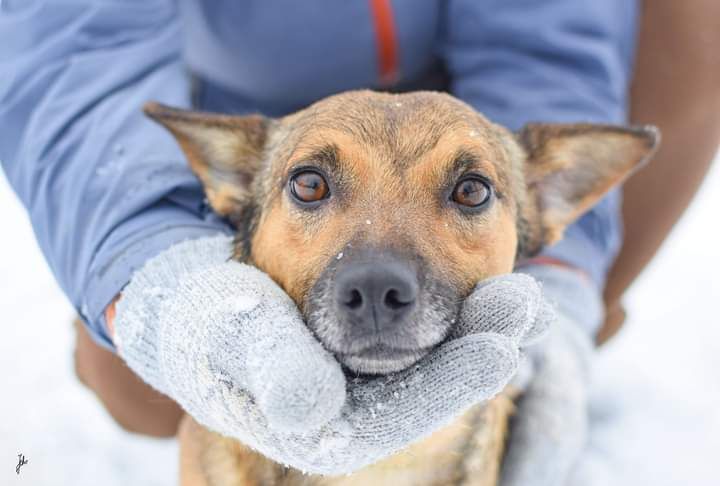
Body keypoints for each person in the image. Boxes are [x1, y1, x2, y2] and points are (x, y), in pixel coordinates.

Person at [1, 0, 717, 483]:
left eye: (465, 194)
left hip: (476, 93)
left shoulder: (529, 181)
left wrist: (566, 275)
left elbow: (544, 33)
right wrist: (148, 265)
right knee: (138, 387)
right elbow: (69, 39)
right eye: (315, 188)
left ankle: (561, 330)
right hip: (246, 101)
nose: (378, 279)